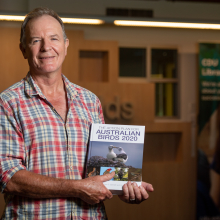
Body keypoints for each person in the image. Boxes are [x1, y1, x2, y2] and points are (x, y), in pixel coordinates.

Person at [0, 7, 153, 219]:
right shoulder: (8, 103)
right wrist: (76, 188)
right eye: (36, 40)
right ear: (23, 49)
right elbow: (9, 178)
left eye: (54, 38)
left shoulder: (90, 101)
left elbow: (103, 171)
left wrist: (124, 188)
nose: (46, 47)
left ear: (65, 45)